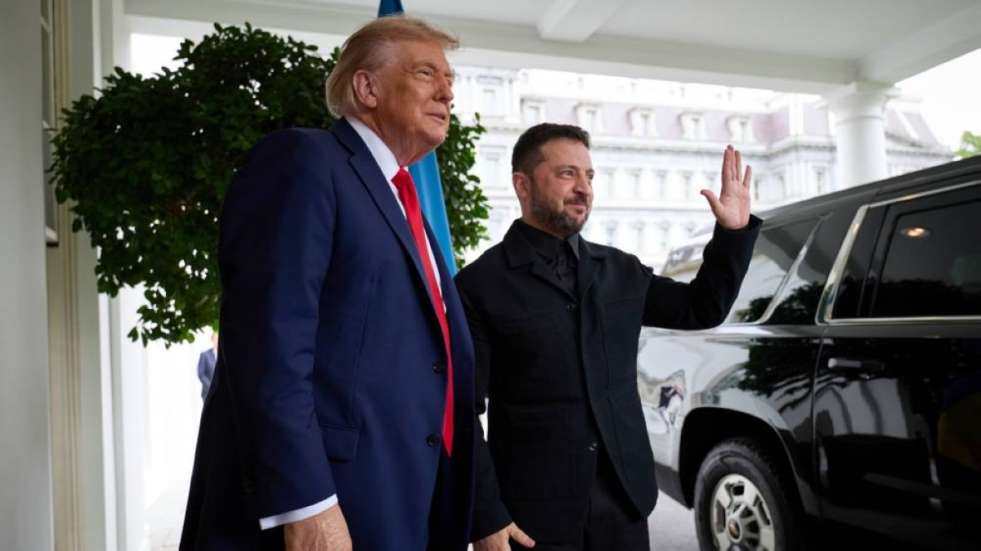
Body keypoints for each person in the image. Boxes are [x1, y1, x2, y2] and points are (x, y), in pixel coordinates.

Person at [180, 16, 476, 551]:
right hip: (329, 504)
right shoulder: (304, 160)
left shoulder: (404, 200)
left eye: (450, 79)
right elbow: (268, 340)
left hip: (406, 499)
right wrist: (306, 503)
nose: (447, 92)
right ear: (367, 88)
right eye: (427, 73)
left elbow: (438, 367)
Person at [456, 123, 761, 551]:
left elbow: (701, 308)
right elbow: (461, 412)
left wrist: (731, 233)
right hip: (530, 517)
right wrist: (486, 516)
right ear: (521, 185)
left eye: (589, 175)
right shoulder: (478, 285)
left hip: (623, 504)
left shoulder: (621, 269)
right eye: (567, 173)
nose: (584, 188)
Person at [196, 332, 218, 400]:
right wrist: (211, 387)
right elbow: (201, 374)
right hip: (208, 393)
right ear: (212, 340)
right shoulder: (205, 355)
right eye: (216, 339)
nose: (218, 341)